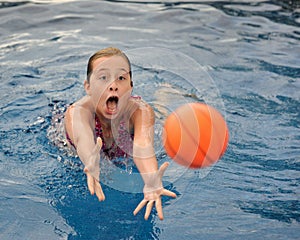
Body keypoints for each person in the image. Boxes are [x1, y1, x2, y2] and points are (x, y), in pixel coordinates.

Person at [64, 47, 176, 220]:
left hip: (128, 132)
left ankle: (164, 93)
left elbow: (143, 146)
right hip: (78, 152)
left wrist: (151, 179)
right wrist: (91, 160)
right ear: (88, 87)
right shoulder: (78, 112)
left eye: (121, 78)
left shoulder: (139, 111)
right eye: (103, 78)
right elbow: (82, 138)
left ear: (131, 87)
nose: (113, 85)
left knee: (161, 116)